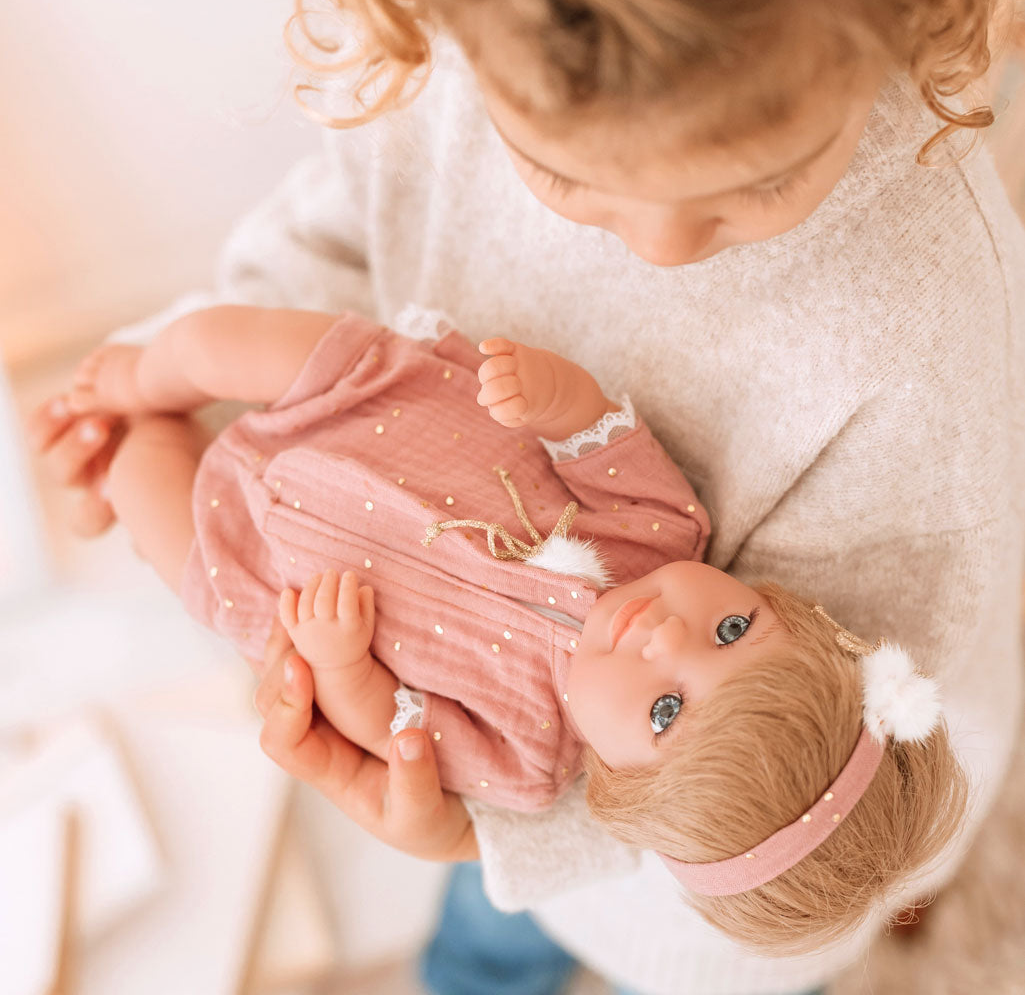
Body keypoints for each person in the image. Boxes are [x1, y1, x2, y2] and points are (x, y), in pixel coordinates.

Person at [29, 0, 1025, 992]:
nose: (660, 243)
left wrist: (478, 835)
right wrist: (159, 388)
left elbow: (824, 737)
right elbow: (332, 232)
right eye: (561, 170)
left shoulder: (917, 334)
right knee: (486, 928)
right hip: (342, 474)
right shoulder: (455, 54)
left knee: (518, 933)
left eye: (762, 181)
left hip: (660, 880)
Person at [63, 299, 966, 955]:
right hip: (364, 406)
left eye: (664, 711)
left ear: (619, 787)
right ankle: (143, 375)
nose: (664, 636)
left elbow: (398, 728)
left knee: (148, 493)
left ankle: (124, 437)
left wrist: (340, 664)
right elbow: (597, 434)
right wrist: (557, 398)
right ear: (780, 601)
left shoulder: (525, 759)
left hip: (270, 570)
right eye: (731, 630)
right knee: (215, 343)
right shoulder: (657, 528)